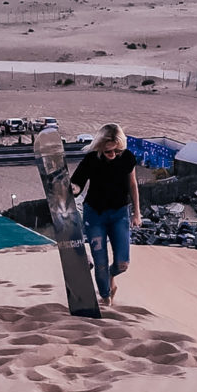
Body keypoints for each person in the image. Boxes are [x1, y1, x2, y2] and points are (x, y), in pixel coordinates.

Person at [70, 123, 141, 307]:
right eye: (109, 151)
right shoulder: (92, 159)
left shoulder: (127, 157)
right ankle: (106, 298)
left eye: (116, 151)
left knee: (122, 264)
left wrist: (137, 213)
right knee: (100, 264)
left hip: (119, 214)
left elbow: (133, 185)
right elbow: (77, 184)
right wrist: (71, 190)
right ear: (100, 146)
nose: (113, 155)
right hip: (95, 216)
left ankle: (111, 275)